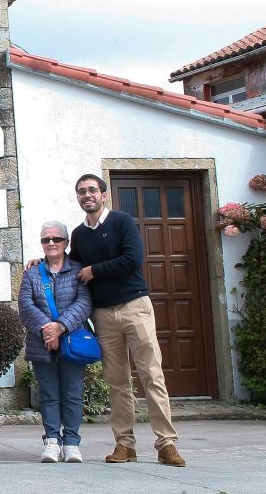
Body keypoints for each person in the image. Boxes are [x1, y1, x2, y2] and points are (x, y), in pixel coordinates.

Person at [69, 174, 185, 467]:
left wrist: (95, 270)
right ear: (78, 198)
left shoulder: (121, 222)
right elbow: (72, 265)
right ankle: (124, 444)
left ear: (104, 195)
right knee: (117, 382)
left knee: (151, 375)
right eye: (82, 192)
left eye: (92, 190)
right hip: (104, 314)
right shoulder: (79, 234)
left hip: (135, 306)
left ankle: (166, 443)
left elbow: (132, 260)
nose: (87, 195)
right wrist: (41, 262)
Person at [18, 220, 93, 463]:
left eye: (56, 239)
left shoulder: (78, 270)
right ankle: (51, 440)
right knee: (49, 393)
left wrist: (59, 327)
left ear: (66, 242)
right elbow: (25, 305)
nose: (51, 243)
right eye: (46, 239)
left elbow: (84, 303)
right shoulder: (31, 273)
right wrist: (46, 331)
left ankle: (71, 442)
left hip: (72, 341)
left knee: (72, 393)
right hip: (42, 343)